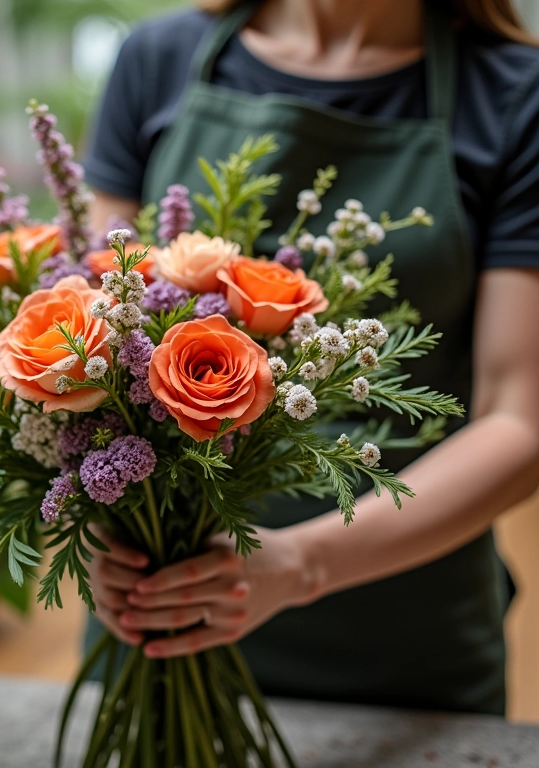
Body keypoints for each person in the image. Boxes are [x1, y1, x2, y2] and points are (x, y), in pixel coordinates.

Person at [80, 0, 539, 715]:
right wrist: (101, 541)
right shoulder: (156, 60)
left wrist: (302, 564)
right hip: (159, 623)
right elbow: (94, 327)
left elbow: (520, 422)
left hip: (403, 651)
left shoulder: (517, 96)